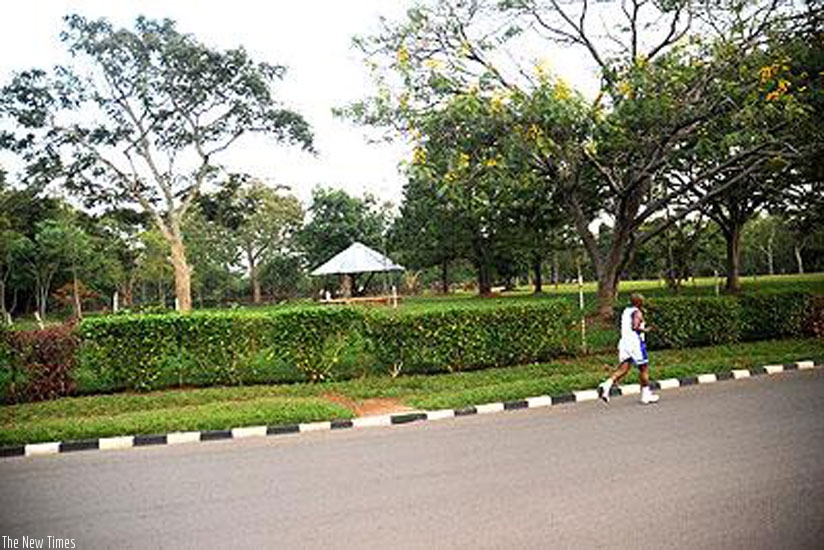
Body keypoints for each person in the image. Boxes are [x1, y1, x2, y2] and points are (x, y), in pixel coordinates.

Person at [598, 293, 659, 405]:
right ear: (638, 302)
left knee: (623, 369)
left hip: (624, 343)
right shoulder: (637, 312)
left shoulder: (626, 311)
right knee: (644, 369)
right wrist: (646, 330)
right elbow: (635, 327)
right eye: (642, 300)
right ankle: (646, 395)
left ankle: (606, 385)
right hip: (635, 343)